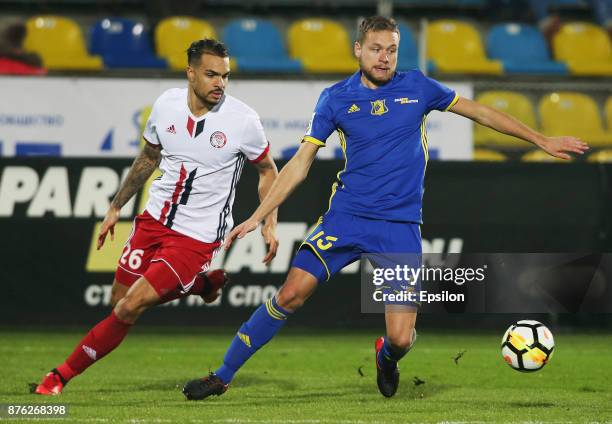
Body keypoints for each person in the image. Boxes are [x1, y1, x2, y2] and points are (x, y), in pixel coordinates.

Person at [182, 16, 588, 400]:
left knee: (399, 338)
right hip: (346, 218)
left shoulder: (419, 87)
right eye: (376, 49)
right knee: (290, 293)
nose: (384, 58)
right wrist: (257, 215)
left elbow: (479, 111)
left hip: (398, 227)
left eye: (391, 50)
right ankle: (222, 376)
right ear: (358, 50)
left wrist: (540, 139)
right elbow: (301, 162)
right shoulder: (336, 99)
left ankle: (386, 357)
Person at [33, 39, 279, 395]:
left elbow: (269, 171)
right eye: (211, 74)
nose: (220, 83)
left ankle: (59, 377)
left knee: (130, 306)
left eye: (225, 76)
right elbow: (149, 157)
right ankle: (200, 285)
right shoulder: (166, 105)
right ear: (190, 73)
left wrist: (268, 221)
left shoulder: (243, 120)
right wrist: (116, 206)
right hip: (153, 220)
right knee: (118, 302)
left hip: (197, 236)